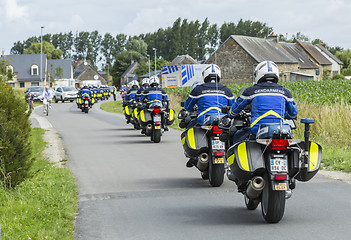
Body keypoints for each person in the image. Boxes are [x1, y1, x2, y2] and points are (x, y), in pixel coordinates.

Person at [228, 60, 298, 144]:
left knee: (237, 136)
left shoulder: (251, 91)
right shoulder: (285, 92)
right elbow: (293, 113)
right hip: (280, 131)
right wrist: (286, 115)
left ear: (258, 74)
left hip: (257, 131)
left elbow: (235, 109)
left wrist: (231, 115)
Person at [183, 64, 235, 129]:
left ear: (205, 75)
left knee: (188, 128)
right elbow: (233, 108)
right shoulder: (227, 90)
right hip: (223, 122)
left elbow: (188, 107)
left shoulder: (198, 89)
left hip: (202, 121)